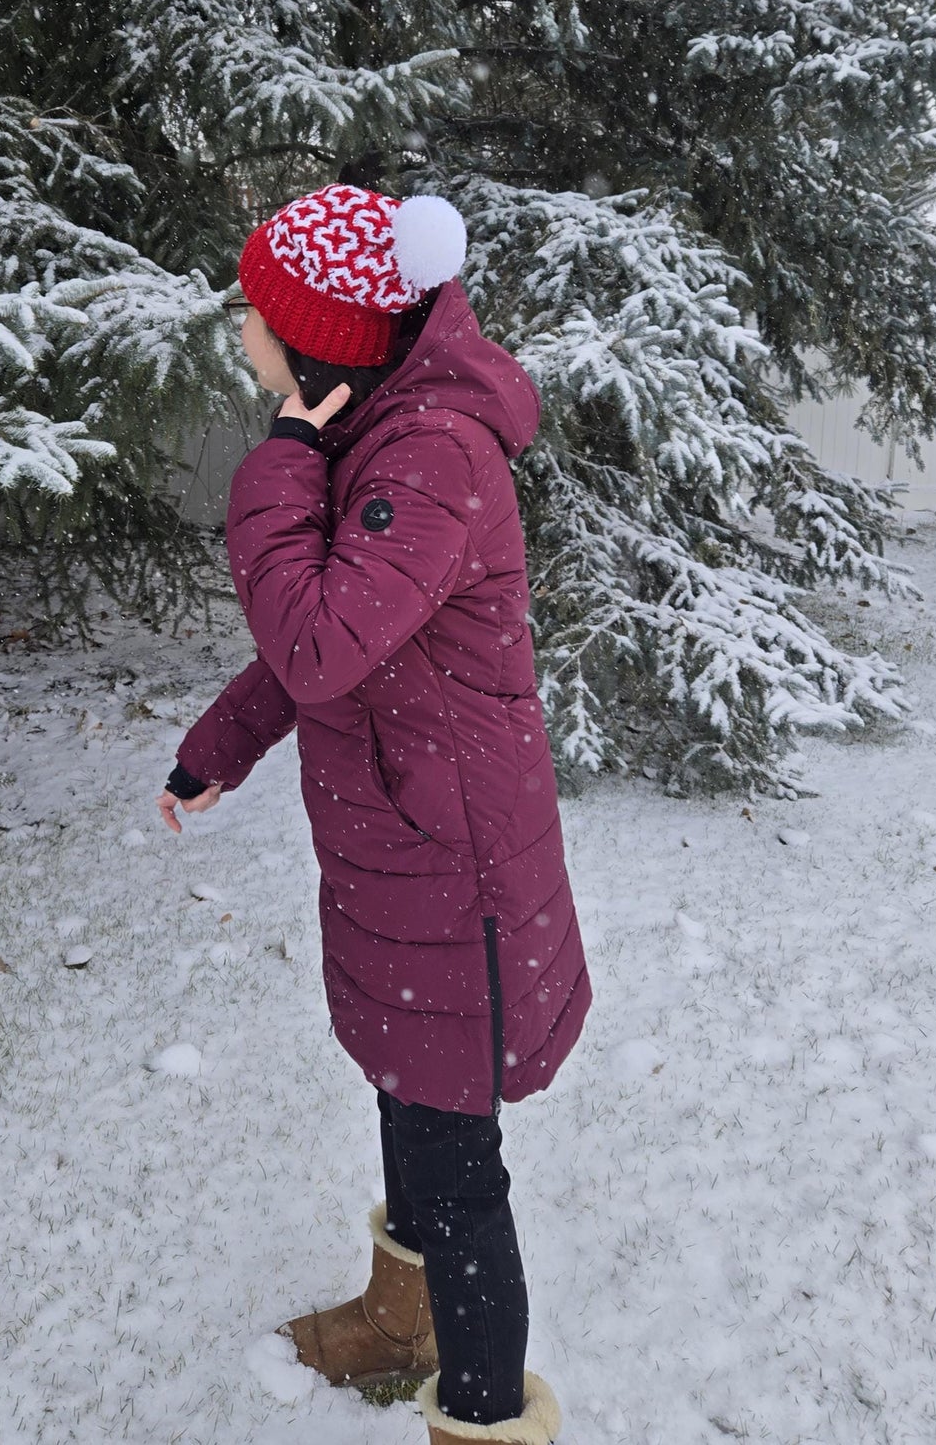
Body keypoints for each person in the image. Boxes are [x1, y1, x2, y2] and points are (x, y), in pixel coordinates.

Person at [155, 182, 591, 1445]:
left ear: (319, 341)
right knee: (409, 1093)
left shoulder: (428, 456)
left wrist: (280, 460)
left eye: (257, 314)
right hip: (397, 859)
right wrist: (221, 747)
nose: (243, 331)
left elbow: (321, 633)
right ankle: (403, 1322)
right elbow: (337, 641)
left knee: (456, 1170)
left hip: (453, 878)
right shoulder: (377, 432)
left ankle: (485, 1418)